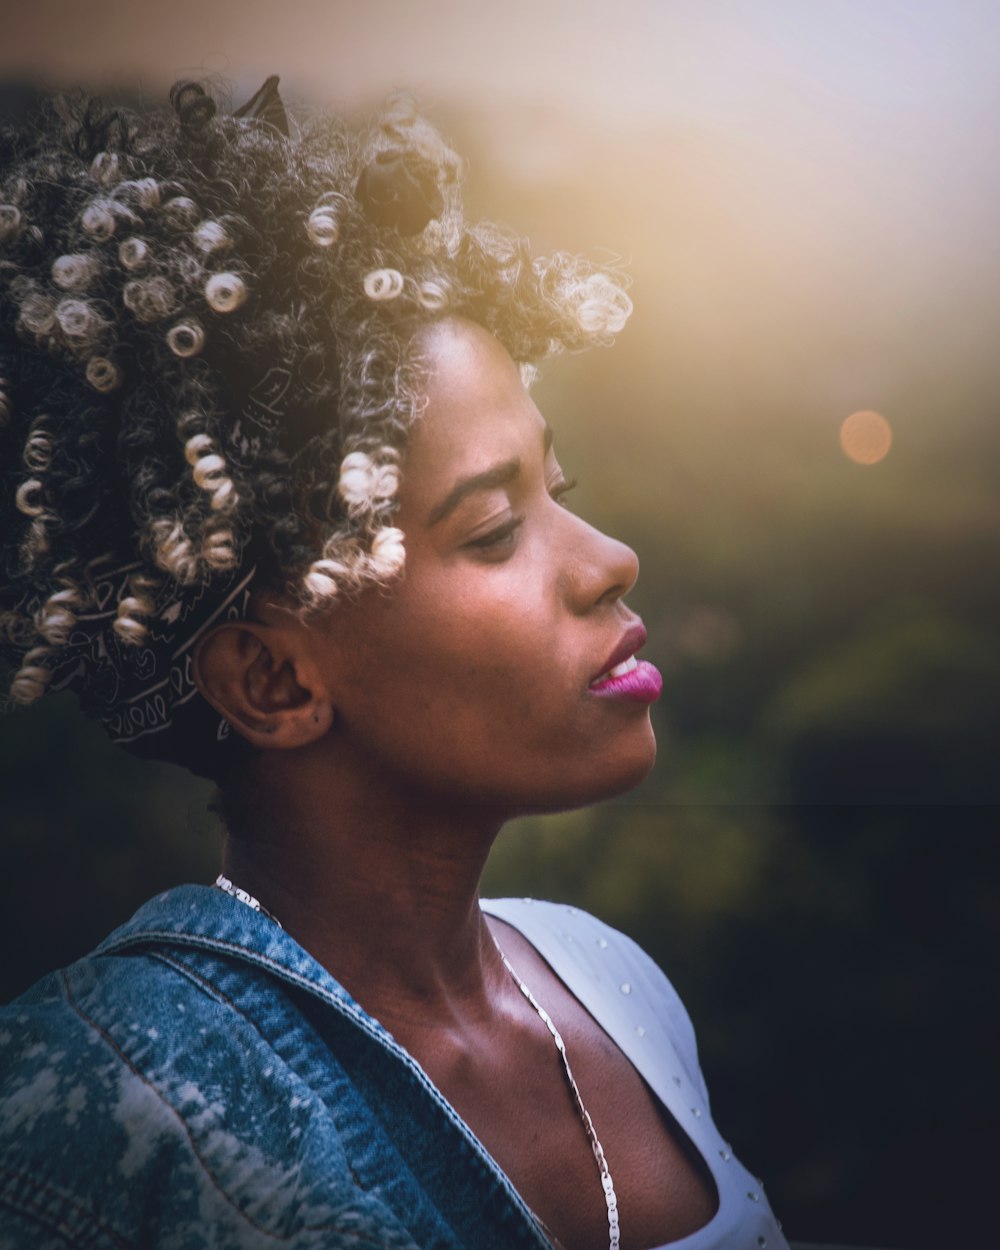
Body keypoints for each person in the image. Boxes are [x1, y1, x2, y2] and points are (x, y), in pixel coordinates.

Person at [0, 77, 788, 1249]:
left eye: (555, 491)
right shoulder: (88, 1108)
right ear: (273, 680)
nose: (611, 560)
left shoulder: (610, 982)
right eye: (489, 531)